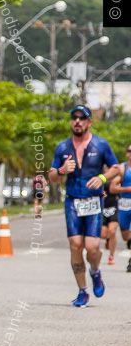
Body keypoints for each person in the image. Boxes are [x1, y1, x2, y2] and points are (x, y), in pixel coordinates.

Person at [49, 105, 120, 307]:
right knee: (75, 246)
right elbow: (52, 176)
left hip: (93, 202)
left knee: (92, 247)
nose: (77, 121)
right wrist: (62, 170)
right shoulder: (62, 147)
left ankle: (95, 272)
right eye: (74, 118)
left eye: (82, 118)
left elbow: (115, 168)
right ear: (71, 121)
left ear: (89, 122)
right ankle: (82, 291)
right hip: (72, 201)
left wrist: (101, 177)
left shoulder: (101, 145)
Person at [107, 143, 131, 272]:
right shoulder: (122, 169)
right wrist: (127, 188)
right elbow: (112, 188)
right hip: (124, 205)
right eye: (130, 151)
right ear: (127, 153)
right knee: (125, 236)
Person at [103, 188, 119, 265]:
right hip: (102, 208)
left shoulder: (117, 176)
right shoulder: (97, 176)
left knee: (112, 231)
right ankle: (108, 239)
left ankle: (111, 256)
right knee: (103, 235)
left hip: (114, 208)